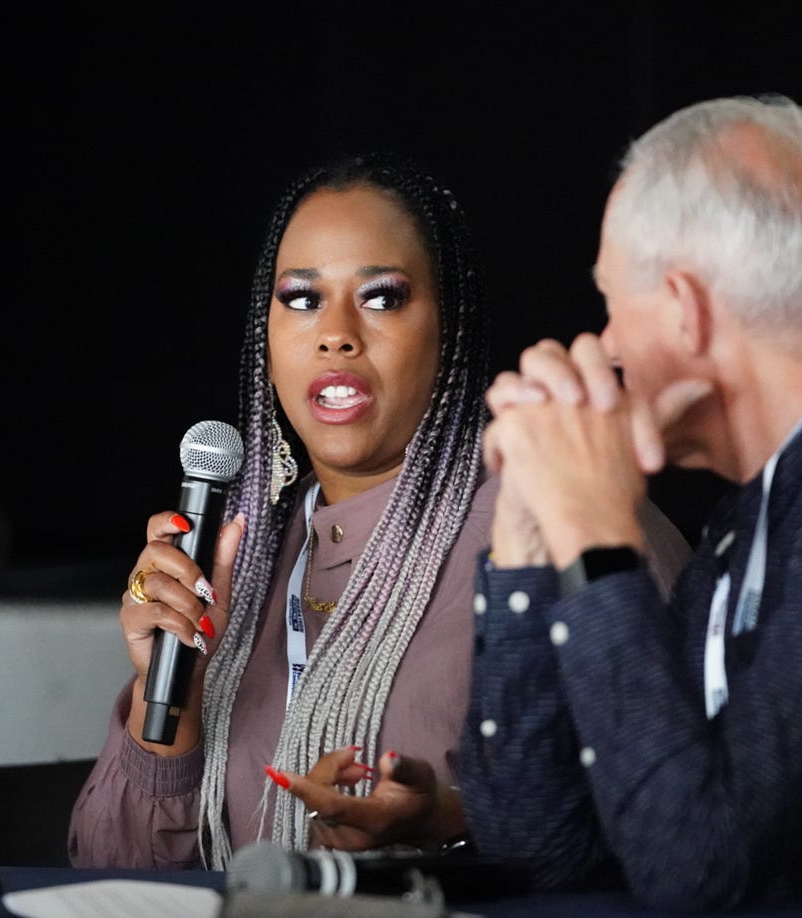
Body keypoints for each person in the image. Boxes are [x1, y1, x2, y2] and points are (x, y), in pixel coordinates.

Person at [275, 95, 802, 910]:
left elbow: (694, 867)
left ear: (686, 311)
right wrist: (526, 539)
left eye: (613, 302)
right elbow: (540, 847)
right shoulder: (758, 510)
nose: (607, 345)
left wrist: (595, 533)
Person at [67, 151, 694, 869]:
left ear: (449, 328)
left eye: (382, 298)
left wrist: (452, 823)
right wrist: (171, 691)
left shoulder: (561, 520)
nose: (335, 333)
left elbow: (672, 830)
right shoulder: (239, 557)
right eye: (301, 299)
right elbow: (106, 874)